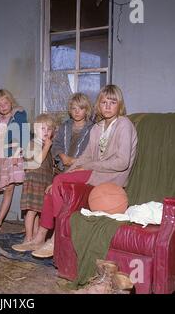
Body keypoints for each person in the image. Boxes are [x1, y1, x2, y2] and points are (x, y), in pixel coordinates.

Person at [19, 85, 138, 258]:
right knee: (52, 189)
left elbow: (122, 162)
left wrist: (91, 165)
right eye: (104, 102)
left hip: (111, 178)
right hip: (96, 173)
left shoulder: (124, 125)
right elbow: (84, 157)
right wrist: (64, 175)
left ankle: (56, 240)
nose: (107, 106)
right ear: (98, 104)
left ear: (120, 105)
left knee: (59, 182)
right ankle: (40, 237)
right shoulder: (98, 128)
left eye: (112, 102)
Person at [12, 93, 93, 252]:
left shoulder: (92, 129)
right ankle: (34, 238)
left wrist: (75, 162)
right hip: (58, 170)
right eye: (73, 108)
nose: (77, 112)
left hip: (78, 169)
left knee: (40, 208)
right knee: (36, 208)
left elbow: (91, 152)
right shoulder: (65, 127)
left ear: (87, 110)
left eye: (81, 108)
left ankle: (48, 238)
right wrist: (62, 156)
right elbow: (55, 147)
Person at [0, 89, 28, 234]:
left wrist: (17, 152)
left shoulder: (19, 114)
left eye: (5, 103)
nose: (3, 106)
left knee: (9, 189)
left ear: (11, 101)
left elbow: (24, 135)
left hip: (13, 155)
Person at [10, 113, 56, 249]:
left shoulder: (46, 145)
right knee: (31, 211)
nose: (46, 132)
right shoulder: (34, 143)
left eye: (49, 129)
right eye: (42, 129)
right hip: (34, 180)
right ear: (35, 130)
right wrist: (47, 146)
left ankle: (36, 236)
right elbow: (39, 160)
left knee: (38, 210)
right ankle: (28, 237)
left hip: (43, 181)